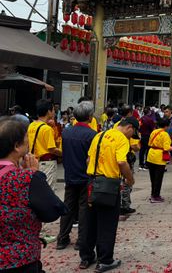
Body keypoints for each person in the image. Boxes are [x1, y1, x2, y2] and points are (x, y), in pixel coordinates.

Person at [0, 117, 66, 272]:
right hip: (20, 259)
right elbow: (53, 210)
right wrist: (35, 174)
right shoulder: (26, 178)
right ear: (17, 146)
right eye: (26, 139)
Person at [79, 117, 137, 272]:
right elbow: (121, 162)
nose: (132, 136)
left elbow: (88, 159)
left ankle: (86, 257)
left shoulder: (99, 135)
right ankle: (105, 260)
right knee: (107, 223)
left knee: (89, 221)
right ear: (129, 128)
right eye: (133, 133)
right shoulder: (121, 139)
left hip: (91, 182)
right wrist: (130, 179)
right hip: (108, 185)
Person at [56, 101, 97, 251]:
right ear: (90, 117)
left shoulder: (66, 132)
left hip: (70, 174)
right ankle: (81, 240)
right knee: (84, 209)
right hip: (85, 176)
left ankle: (62, 238)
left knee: (68, 206)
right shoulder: (92, 135)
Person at [27, 99, 62, 190]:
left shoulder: (31, 125)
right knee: (48, 190)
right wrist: (63, 153)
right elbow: (52, 149)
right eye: (53, 110)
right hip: (47, 163)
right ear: (48, 112)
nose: (54, 112)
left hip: (34, 161)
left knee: (36, 189)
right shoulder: (46, 129)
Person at [147, 117, 172, 203]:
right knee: (158, 178)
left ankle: (153, 194)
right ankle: (156, 196)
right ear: (166, 126)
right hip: (159, 158)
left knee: (153, 178)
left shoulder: (154, 132)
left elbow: (149, 143)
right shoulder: (165, 134)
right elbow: (166, 148)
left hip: (151, 155)